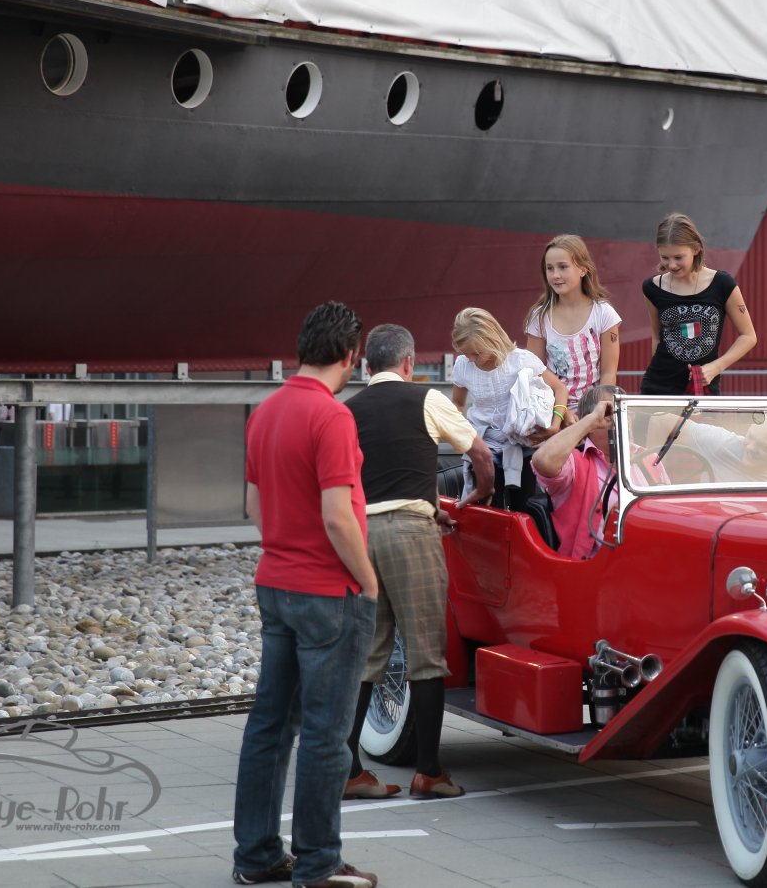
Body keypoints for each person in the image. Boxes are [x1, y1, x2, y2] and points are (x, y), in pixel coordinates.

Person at [232, 301, 380, 888]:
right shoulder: (333, 417)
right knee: (325, 734)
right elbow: (338, 515)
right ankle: (318, 864)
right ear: (349, 355)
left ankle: (257, 856)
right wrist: (367, 580)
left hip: (275, 583)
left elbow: (253, 505)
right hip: (328, 591)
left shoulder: (265, 412)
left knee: (270, 725)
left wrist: (285, 547)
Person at [342, 324, 495, 801]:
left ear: (367, 366)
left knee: (368, 654)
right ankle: (428, 772)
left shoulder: (348, 410)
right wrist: (480, 493)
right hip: (410, 534)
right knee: (427, 651)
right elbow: (481, 453)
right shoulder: (426, 399)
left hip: (361, 534)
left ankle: (349, 770)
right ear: (408, 363)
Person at [531, 385, 665, 560]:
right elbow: (542, 461)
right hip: (596, 568)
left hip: (650, 558)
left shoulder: (649, 458)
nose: (623, 419)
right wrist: (592, 420)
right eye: (612, 412)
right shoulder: (575, 462)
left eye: (626, 411)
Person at [449, 307, 569, 490]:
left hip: (524, 443)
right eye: (466, 353)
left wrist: (555, 424)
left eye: (477, 353)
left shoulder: (520, 360)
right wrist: (456, 431)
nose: (471, 359)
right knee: (487, 503)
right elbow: (458, 403)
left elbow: (559, 388)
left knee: (526, 503)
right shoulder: (462, 366)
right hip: (483, 446)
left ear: (493, 340)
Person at [640, 213, 756, 395]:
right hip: (658, 387)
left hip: (702, 387)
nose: (671, 265)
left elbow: (748, 336)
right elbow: (657, 338)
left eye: (678, 257)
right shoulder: (652, 287)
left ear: (696, 249)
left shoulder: (722, 284)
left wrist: (716, 367)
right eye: (665, 257)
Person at [524, 234, 620, 415]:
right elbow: (535, 373)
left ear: (583, 269)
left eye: (563, 267)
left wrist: (596, 413)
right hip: (552, 410)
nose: (555, 275)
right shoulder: (539, 317)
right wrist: (562, 412)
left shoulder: (604, 314)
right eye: (550, 268)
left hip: (592, 410)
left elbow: (608, 373)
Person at [651, 411, 767, 483]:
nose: (751, 448)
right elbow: (660, 419)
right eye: (750, 437)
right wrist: (653, 479)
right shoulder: (723, 443)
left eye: (765, 447)